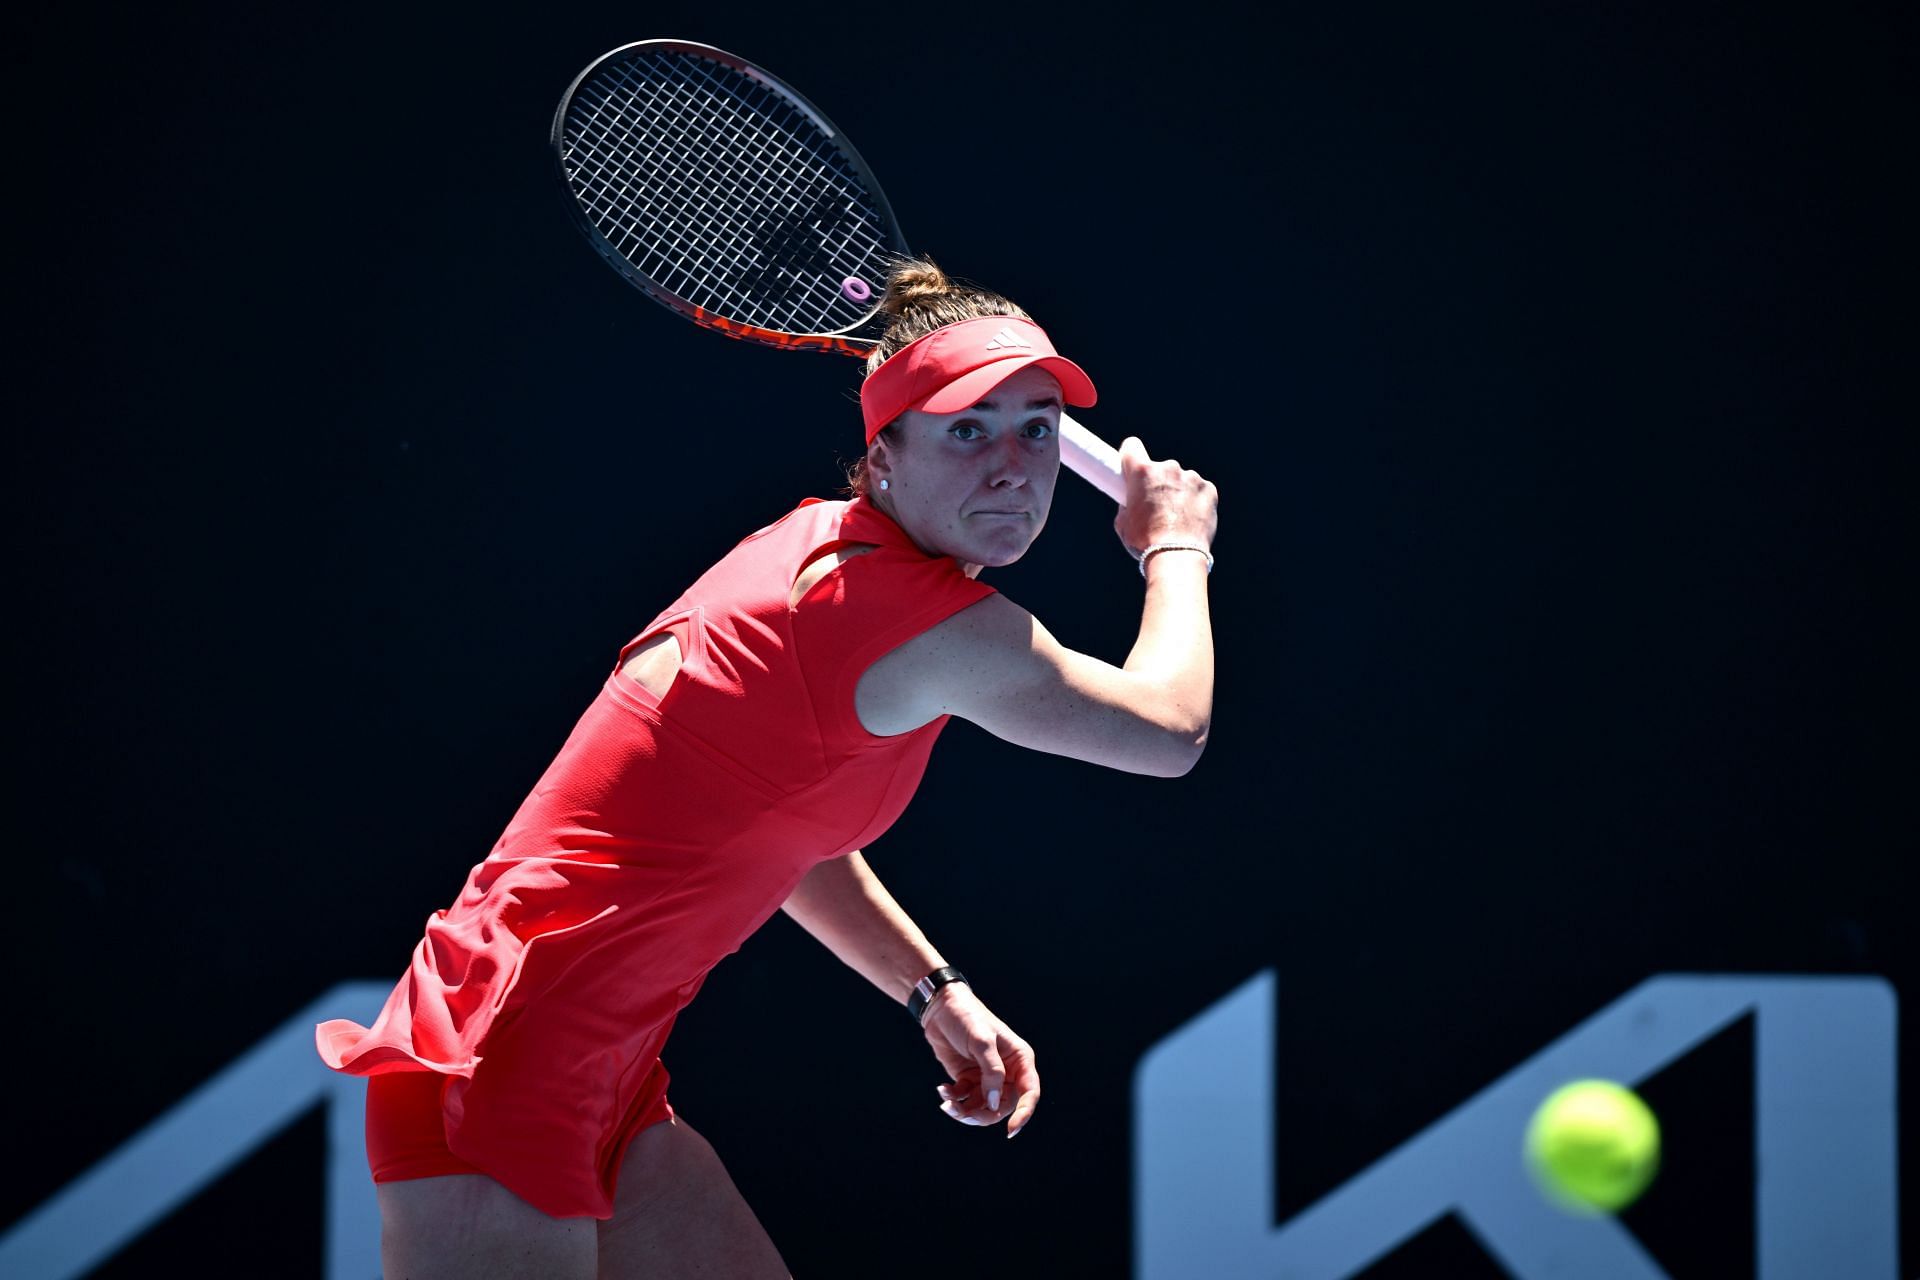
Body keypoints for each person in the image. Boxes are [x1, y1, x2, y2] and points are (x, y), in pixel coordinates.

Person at [315, 257, 1218, 1279]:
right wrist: (1175, 546)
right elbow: (1169, 731)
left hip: (600, 1072)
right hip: (502, 1057)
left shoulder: (816, 549)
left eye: (1037, 426)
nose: (1013, 463)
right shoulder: (911, 621)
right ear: (883, 459)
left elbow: (775, 827)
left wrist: (929, 987)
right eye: (968, 428)